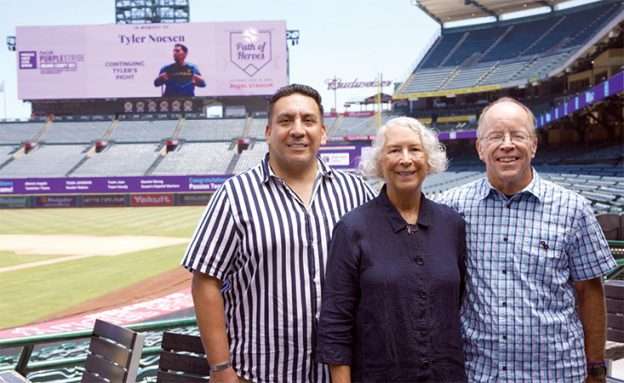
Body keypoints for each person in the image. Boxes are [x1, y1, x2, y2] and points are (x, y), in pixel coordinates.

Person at [182, 84, 375, 383]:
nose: (298, 130)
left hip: (341, 374)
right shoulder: (235, 195)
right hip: (260, 374)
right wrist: (220, 368)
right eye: (286, 121)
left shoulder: (355, 191)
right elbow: (205, 280)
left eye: (308, 121)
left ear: (322, 132)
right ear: (268, 131)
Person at [438, 97, 617, 382]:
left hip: (556, 374)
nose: (507, 144)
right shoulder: (450, 207)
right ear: (479, 148)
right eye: (495, 136)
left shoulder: (573, 208)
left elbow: (590, 292)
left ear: (533, 145)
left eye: (518, 135)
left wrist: (595, 367)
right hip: (480, 374)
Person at [317, 117, 468, 383]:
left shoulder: (451, 224)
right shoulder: (352, 228)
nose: (406, 159)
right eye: (395, 150)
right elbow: (335, 322)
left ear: (428, 159)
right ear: (380, 161)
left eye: (415, 149)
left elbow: (457, 304)